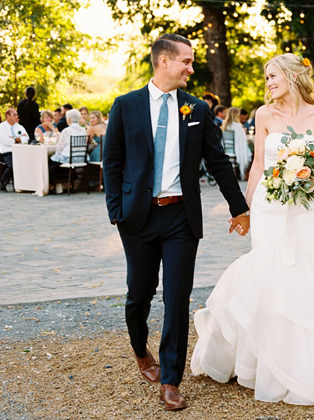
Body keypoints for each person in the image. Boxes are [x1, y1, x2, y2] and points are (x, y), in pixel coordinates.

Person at [191, 53, 314, 405]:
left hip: (307, 204)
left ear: (292, 77)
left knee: (305, 267)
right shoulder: (263, 114)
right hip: (269, 204)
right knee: (269, 266)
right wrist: (243, 209)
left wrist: (301, 172)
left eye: (273, 76)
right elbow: (259, 163)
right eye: (266, 78)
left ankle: (308, 361)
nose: (268, 83)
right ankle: (260, 361)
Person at [102, 33, 250, 411]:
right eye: (186, 61)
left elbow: (218, 162)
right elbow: (113, 163)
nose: (191, 67)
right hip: (138, 216)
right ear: (164, 61)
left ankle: (171, 379)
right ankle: (140, 349)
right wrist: (116, 211)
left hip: (181, 217)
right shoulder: (125, 105)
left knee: (177, 298)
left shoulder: (197, 109)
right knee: (139, 293)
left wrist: (239, 207)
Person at [49, 109, 87, 193]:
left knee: (51, 161)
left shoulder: (67, 131)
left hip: (69, 158)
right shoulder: (83, 130)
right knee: (57, 160)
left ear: (69, 119)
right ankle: (67, 184)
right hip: (81, 158)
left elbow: (59, 147)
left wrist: (56, 155)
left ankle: (52, 185)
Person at [0, 108, 29, 191]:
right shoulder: (1, 127)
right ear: (7, 116)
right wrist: (15, 140)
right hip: (7, 152)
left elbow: (26, 138)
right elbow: (3, 140)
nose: (16, 116)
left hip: (20, 151)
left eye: (16, 115)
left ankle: (24, 185)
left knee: (28, 162)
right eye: (14, 115)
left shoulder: (19, 127)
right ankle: (3, 183)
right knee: (12, 165)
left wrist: (19, 139)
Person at [221, 106, 252, 180]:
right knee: (251, 153)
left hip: (226, 150)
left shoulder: (224, 125)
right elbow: (243, 141)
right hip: (235, 151)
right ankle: (246, 174)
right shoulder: (237, 126)